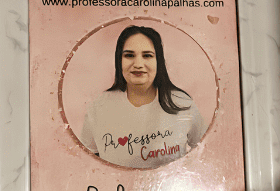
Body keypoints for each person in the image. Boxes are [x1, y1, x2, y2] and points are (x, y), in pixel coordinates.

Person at [81, 26, 206, 167]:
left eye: (147, 55)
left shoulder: (183, 104)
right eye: (129, 55)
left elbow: (205, 152)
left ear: (158, 60)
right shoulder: (99, 108)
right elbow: (88, 160)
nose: (138, 64)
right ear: (119, 60)